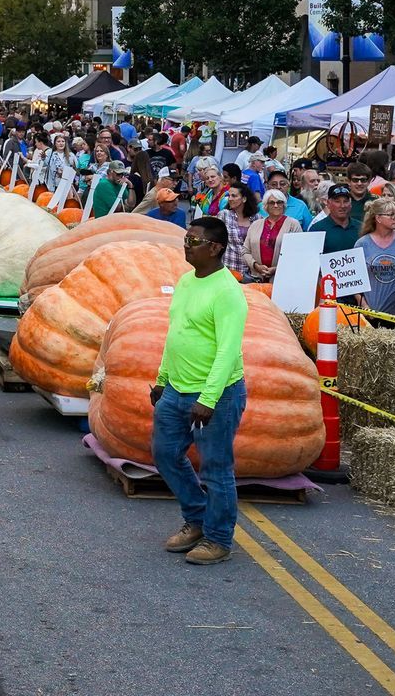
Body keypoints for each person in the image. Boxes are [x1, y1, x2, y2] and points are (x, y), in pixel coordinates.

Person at [149, 216, 247, 566]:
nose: (186, 245)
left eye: (193, 241)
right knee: (164, 453)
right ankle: (197, 517)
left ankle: (218, 538)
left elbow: (228, 350)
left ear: (215, 248)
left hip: (215, 395)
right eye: (186, 239)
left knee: (216, 469)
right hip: (176, 389)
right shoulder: (187, 282)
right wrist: (162, 379)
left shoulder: (228, 292)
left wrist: (208, 399)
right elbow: (176, 332)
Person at [352, 197, 395, 317]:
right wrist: (364, 305)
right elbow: (354, 280)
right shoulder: (362, 244)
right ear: (378, 218)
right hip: (372, 311)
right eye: (391, 215)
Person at [308, 184, 360, 254]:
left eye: (345, 201)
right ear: (328, 204)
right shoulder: (317, 229)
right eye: (337, 201)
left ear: (350, 204)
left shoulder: (361, 228)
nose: (342, 206)